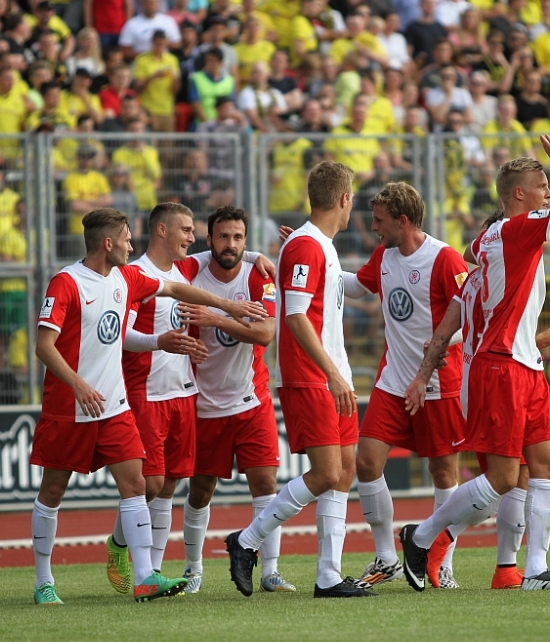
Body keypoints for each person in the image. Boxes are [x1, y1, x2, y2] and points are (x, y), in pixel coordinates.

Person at [30, 206, 265, 605]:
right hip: (70, 405)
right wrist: (78, 384)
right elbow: (43, 346)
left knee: (139, 485)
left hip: (114, 405)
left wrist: (229, 306)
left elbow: (175, 289)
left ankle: (145, 577)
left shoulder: (126, 278)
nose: (131, 246)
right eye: (125, 240)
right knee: (53, 489)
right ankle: (43, 581)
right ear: (108, 243)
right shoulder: (66, 283)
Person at [398, 136, 550, 592]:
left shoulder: (490, 238)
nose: (549, 193)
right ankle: (422, 536)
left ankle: (533, 569)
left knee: (545, 465)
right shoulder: (516, 230)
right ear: (519, 195)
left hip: (522, 362)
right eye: (542, 186)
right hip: (501, 364)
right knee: (504, 478)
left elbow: (471, 257)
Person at [225, 161, 375, 599]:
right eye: (352, 200)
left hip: (332, 374)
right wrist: (331, 373)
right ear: (344, 199)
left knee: (343, 472)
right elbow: (294, 316)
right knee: (327, 473)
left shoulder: (315, 246)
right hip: (313, 377)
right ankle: (246, 540)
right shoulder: (309, 245)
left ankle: (328, 575)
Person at [108, 203, 272, 591]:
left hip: (184, 394)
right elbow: (122, 335)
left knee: (168, 486)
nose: (191, 237)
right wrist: (160, 342)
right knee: (149, 485)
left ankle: (155, 572)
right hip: (147, 391)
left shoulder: (184, 270)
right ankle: (118, 545)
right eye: (185, 230)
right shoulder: (134, 275)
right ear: (162, 230)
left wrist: (255, 256)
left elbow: (226, 252)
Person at [318, 182, 467, 590]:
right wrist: (317, 263)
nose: (373, 227)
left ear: (403, 221)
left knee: (443, 472)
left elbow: (474, 314)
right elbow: (355, 286)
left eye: (379, 220)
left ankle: (441, 561)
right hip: (393, 380)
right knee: (367, 462)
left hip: (439, 382)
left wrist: (442, 343)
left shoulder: (444, 258)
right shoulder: (384, 255)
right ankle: (386, 557)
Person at [175, 205, 296, 594]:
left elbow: (265, 334)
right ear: (209, 239)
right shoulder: (190, 273)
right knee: (200, 490)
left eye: (239, 238)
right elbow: (159, 270)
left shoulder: (258, 276)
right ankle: (193, 569)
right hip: (203, 405)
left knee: (265, 484)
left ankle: (270, 571)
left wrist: (216, 318)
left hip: (251, 399)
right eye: (224, 236)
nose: (231, 244)